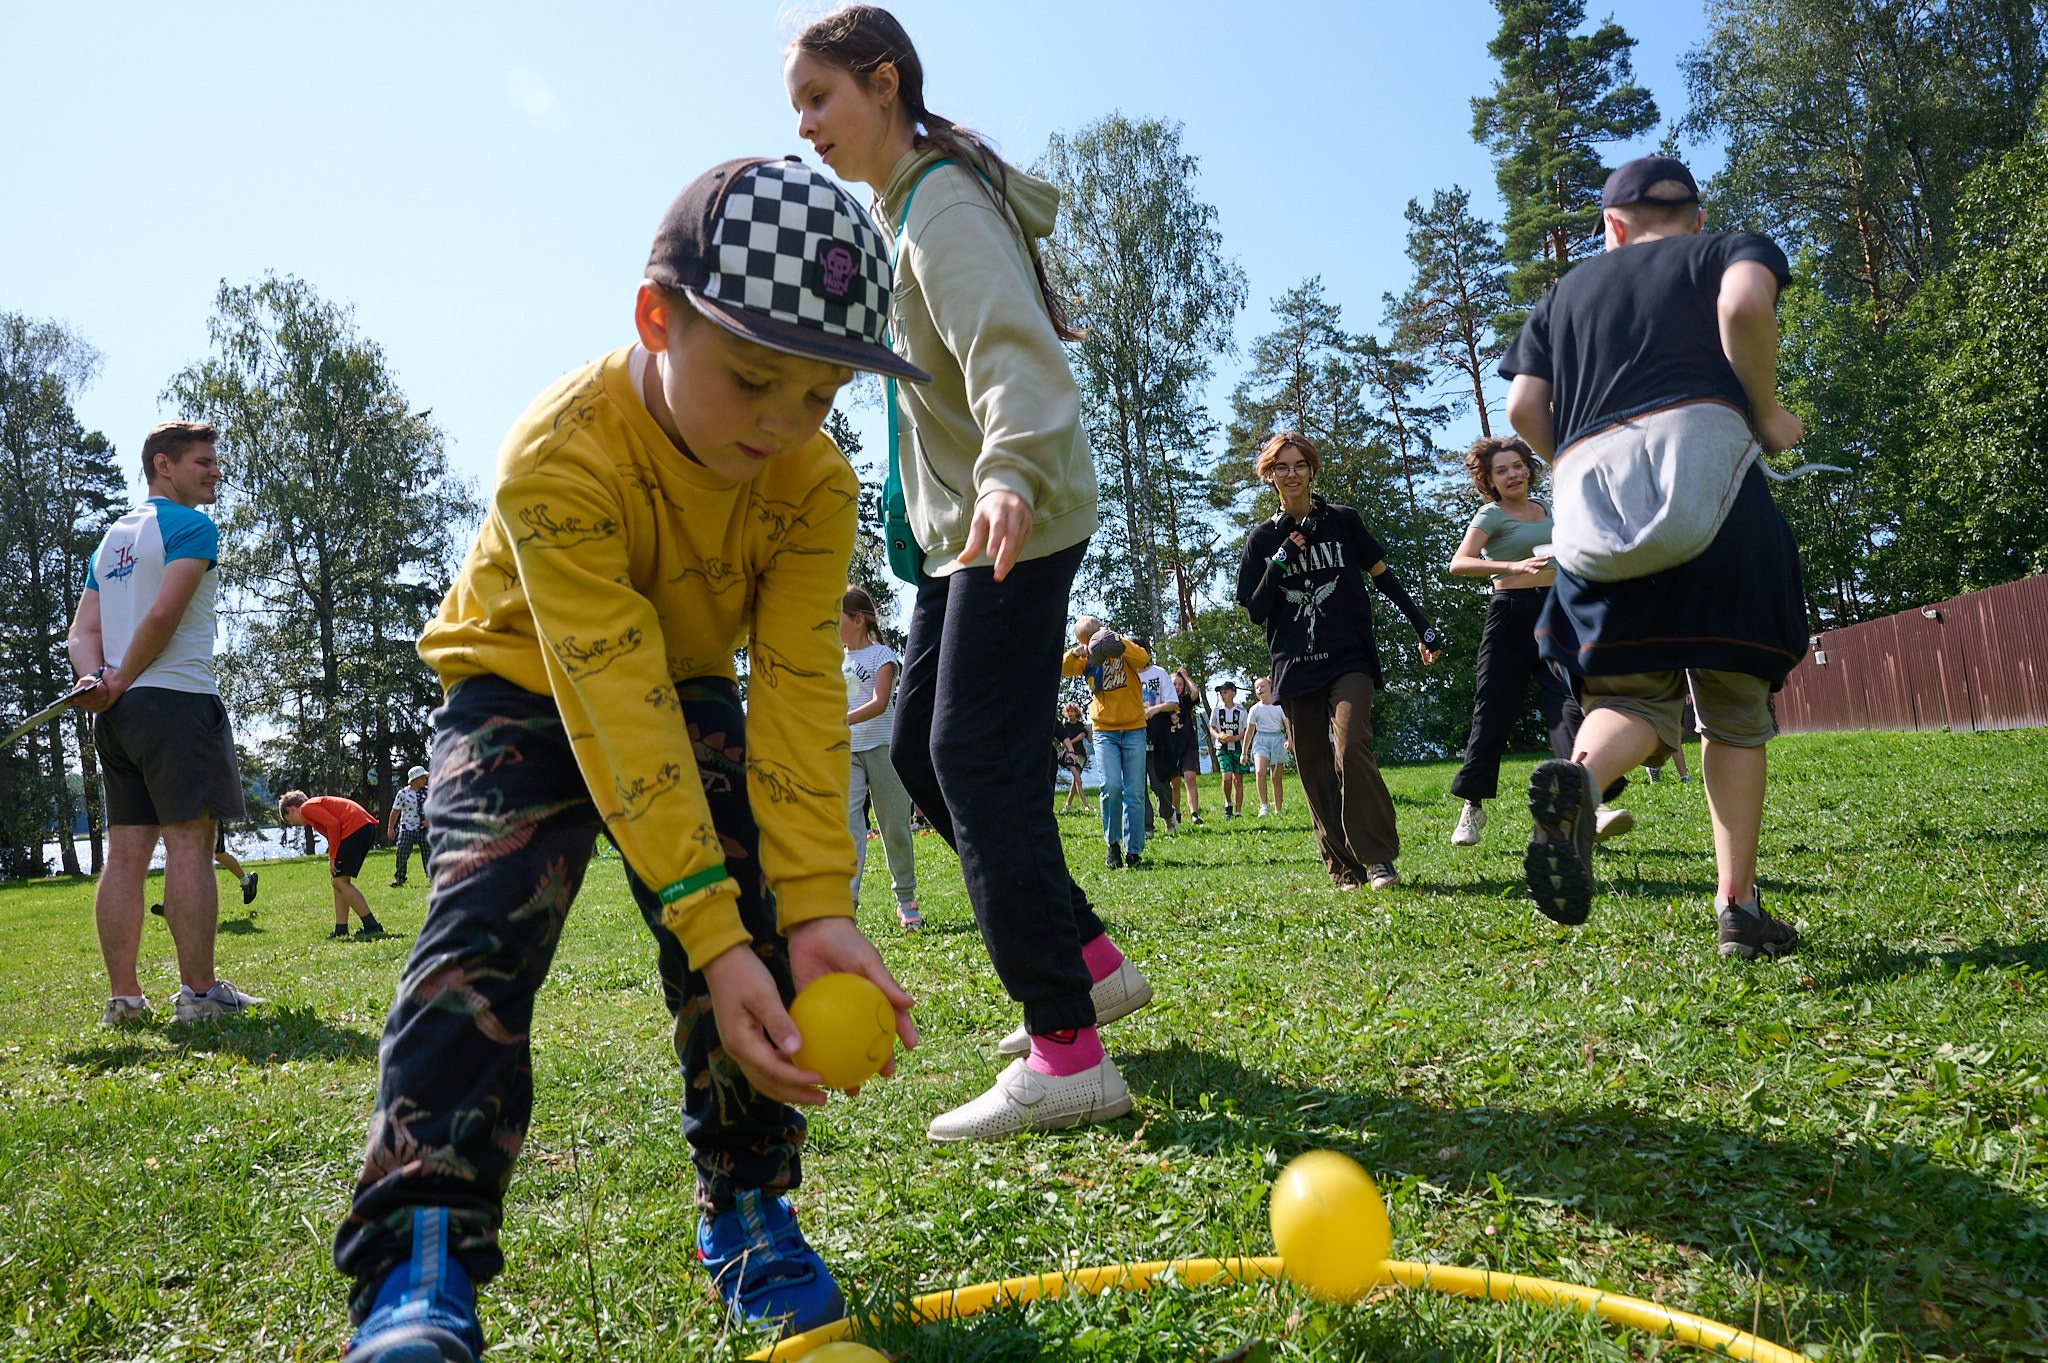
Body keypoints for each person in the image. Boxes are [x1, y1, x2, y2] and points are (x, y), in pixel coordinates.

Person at [332, 157, 921, 1361]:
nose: (781, 424)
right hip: (524, 678)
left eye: (818, 397)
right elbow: (611, 698)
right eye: (752, 378)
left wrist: (805, 910)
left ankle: (750, 1207)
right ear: (655, 318)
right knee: (483, 919)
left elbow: (801, 691)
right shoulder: (558, 453)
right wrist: (699, 924)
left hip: (689, 679)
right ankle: (419, 1255)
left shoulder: (814, 485)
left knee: (753, 924)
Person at [788, 5, 1151, 1144]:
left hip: (1013, 513)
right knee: (917, 751)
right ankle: (1086, 961)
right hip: (963, 527)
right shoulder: (905, 210)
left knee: (970, 757)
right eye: (794, 109)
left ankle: (1066, 1050)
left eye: (819, 100)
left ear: (882, 84)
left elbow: (1013, 355)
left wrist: (1003, 475)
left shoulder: (938, 201)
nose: (806, 129)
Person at [1499, 154, 1807, 959]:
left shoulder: (1567, 294)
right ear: (1697, 218)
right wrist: (1768, 413)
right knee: (1734, 713)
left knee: (1633, 696)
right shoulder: (1726, 249)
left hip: (1598, 511)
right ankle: (1737, 906)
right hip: (1717, 499)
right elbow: (1742, 304)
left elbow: (1523, 404)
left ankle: (1586, 782)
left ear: (1613, 228)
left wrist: (1571, 458)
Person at [66, 420, 266, 1028]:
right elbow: (165, 611)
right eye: (203, 461)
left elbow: (82, 633)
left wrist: (98, 679)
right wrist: (120, 675)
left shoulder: (113, 540)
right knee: (190, 845)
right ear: (163, 464)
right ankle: (199, 996)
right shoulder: (192, 527)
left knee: (125, 855)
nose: (215, 471)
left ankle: (124, 1001)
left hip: (119, 716)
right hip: (176, 702)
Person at [1236, 432, 1443, 890]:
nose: (1292, 474)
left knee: (1350, 748)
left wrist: (1421, 624)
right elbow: (1255, 610)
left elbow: (1383, 578)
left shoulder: (1343, 522)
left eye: (1299, 465)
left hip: (1349, 657)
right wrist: (1281, 558)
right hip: (1293, 666)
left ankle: (1378, 859)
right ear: (1269, 476)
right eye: (1282, 467)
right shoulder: (1262, 539)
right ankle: (1343, 867)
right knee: (1312, 765)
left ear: (1312, 470)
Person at [1445, 437, 1632, 848]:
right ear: (1489, 480)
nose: (1513, 474)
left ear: (1529, 468)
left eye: (1517, 466)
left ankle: (1589, 797)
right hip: (1510, 614)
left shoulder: (1549, 509)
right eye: (1501, 471)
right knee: (1493, 711)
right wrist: (1513, 564)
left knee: (1569, 703)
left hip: (1557, 611)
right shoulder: (1490, 514)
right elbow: (1460, 562)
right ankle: (1473, 806)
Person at [840, 584, 921, 931]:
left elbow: (879, 702)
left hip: (884, 750)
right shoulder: (835, 658)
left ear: (858, 620)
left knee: (893, 827)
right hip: (849, 753)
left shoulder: (882, 656)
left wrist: (841, 720)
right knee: (848, 827)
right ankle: (847, 906)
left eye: (837, 617)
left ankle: (906, 900)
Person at [1065, 618, 1153, 867]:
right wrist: (1075, 652)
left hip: (1134, 728)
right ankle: (1113, 845)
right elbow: (1059, 666)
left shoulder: (1121, 649)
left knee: (1135, 792)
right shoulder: (1085, 660)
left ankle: (1134, 851)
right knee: (1111, 787)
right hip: (1104, 731)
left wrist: (1116, 640)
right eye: (1088, 641)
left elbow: (1143, 659)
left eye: (1095, 638)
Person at [280, 791, 387, 940]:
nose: (295, 824)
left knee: (339, 881)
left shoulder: (306, 807)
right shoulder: (313, 809)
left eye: (291, 820)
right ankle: (341, 928)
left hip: (356, 829)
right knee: (337, 880)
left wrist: (333, 857)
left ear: (290, 809)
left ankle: (372, 925)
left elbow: (333, 824)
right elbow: (332, 832)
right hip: (363, 828)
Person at [1136, 646, 1177, 835]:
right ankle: (1147, 827)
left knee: (1159, 783)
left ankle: (1169, 815)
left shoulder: (1158, 673)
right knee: (1138, 787)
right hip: (1134, 736)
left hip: (1158, 737)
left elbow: (1173, 703)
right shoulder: (1128, 675)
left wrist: (1156, 709)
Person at [1242, 677, 1290, 818]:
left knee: (1276, 777)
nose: (1259, 689)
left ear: (1271, 687)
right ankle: (1264, 806)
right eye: (1257, 688)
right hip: (1261, 740)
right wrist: (1244, 753)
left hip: (1277, 740)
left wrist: (1290, 740)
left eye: (1262, 686)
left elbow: (1287, 724)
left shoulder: (1280, 706)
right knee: (1260, 772)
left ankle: (1278, 809)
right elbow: (1249, 732)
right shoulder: (1254, 709)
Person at [1169, 667, 1205, 826]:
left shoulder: (1186, 702)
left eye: (1180, 685)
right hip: (1171, 747)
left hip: (1188, 745)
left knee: (1190, 779)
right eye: (1174, 684)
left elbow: (1196, 692)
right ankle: (1175, 813)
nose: (1177, 687)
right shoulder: (1165, 703)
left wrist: (1186, 676)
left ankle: (1194, 814)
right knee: (1174, 783)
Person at [386, 766, 429, 887]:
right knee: (402, 851)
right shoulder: (403, 794)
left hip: (423, 828)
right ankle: (399, 877)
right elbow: (395, 811)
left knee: (428, 852)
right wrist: (390, 828)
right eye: (422, 778)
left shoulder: (428, 792)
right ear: (414, 779)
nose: (424, 780)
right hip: (407, 827)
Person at [1209, 680, 1247, 817]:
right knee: (1226, 777)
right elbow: (1212, 727)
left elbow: (1247, 729)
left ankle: (1238, 811)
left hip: (1237, 748)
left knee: (1238, 779)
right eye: (1220, 693)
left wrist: (1235, 738)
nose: (1222, 695)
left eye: (1225, 692)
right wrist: (1217, 735)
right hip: (1222, 748)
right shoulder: (1217, 710)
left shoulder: (1241, 711)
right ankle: (1228, 802)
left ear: (1233, 693)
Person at [1055, 702, 1092, 813]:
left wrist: (1088, 733)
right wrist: (1077, 738)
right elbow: (1062, 744)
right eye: (1068, 711)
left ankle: (1068, 805)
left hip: (1080, 754)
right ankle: (1086, 806)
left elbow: (1089, 740)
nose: (1070, 713)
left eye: (1072, 711)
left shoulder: (1081, 725)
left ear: (1076, 712)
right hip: (1070, 754)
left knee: (1076, 781)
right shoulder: (1065, 726)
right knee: (1077, 779)